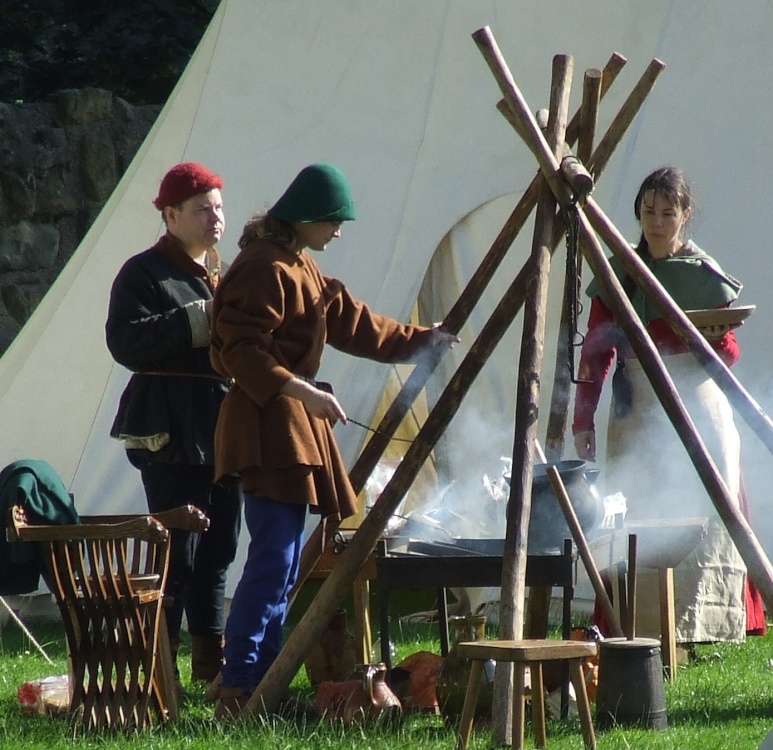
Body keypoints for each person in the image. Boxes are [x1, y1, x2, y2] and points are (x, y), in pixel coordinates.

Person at [208, 162, 459, 717]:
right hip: (266, 432)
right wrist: (303, 392)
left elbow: (354, 322)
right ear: (306, 218)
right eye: (333, 222)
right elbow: (240, 348)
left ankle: (260, 682)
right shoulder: (261, 267)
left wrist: (423, 340)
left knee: (284, 562)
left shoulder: (300, 265)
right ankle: (239, 686)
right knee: (273, 560)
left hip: (288, 433)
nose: (338, 233)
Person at [572, 166, 765, 646]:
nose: (655, 222)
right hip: (636, 408)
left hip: (698, 405)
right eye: (647, 211)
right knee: (635, 515)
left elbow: (731, 352)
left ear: (685, 215)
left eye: (666, 212)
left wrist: (707, 339)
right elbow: (597, 349)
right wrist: (583, 416)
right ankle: (636, 624)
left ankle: (704, 625)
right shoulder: (619, 272)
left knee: (705, 510)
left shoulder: (701, 274)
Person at [105, 162, 243, 688]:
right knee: (175, 556)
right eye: (203, 208)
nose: (216, 217)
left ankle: (210, 672)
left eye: (219, 207)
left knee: (219, 550)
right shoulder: (142, 274)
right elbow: (125, 342)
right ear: (170, 215)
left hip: (221, 430)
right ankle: (156, 676)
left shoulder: (221, 272)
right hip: (168, 433)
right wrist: (203, 318)